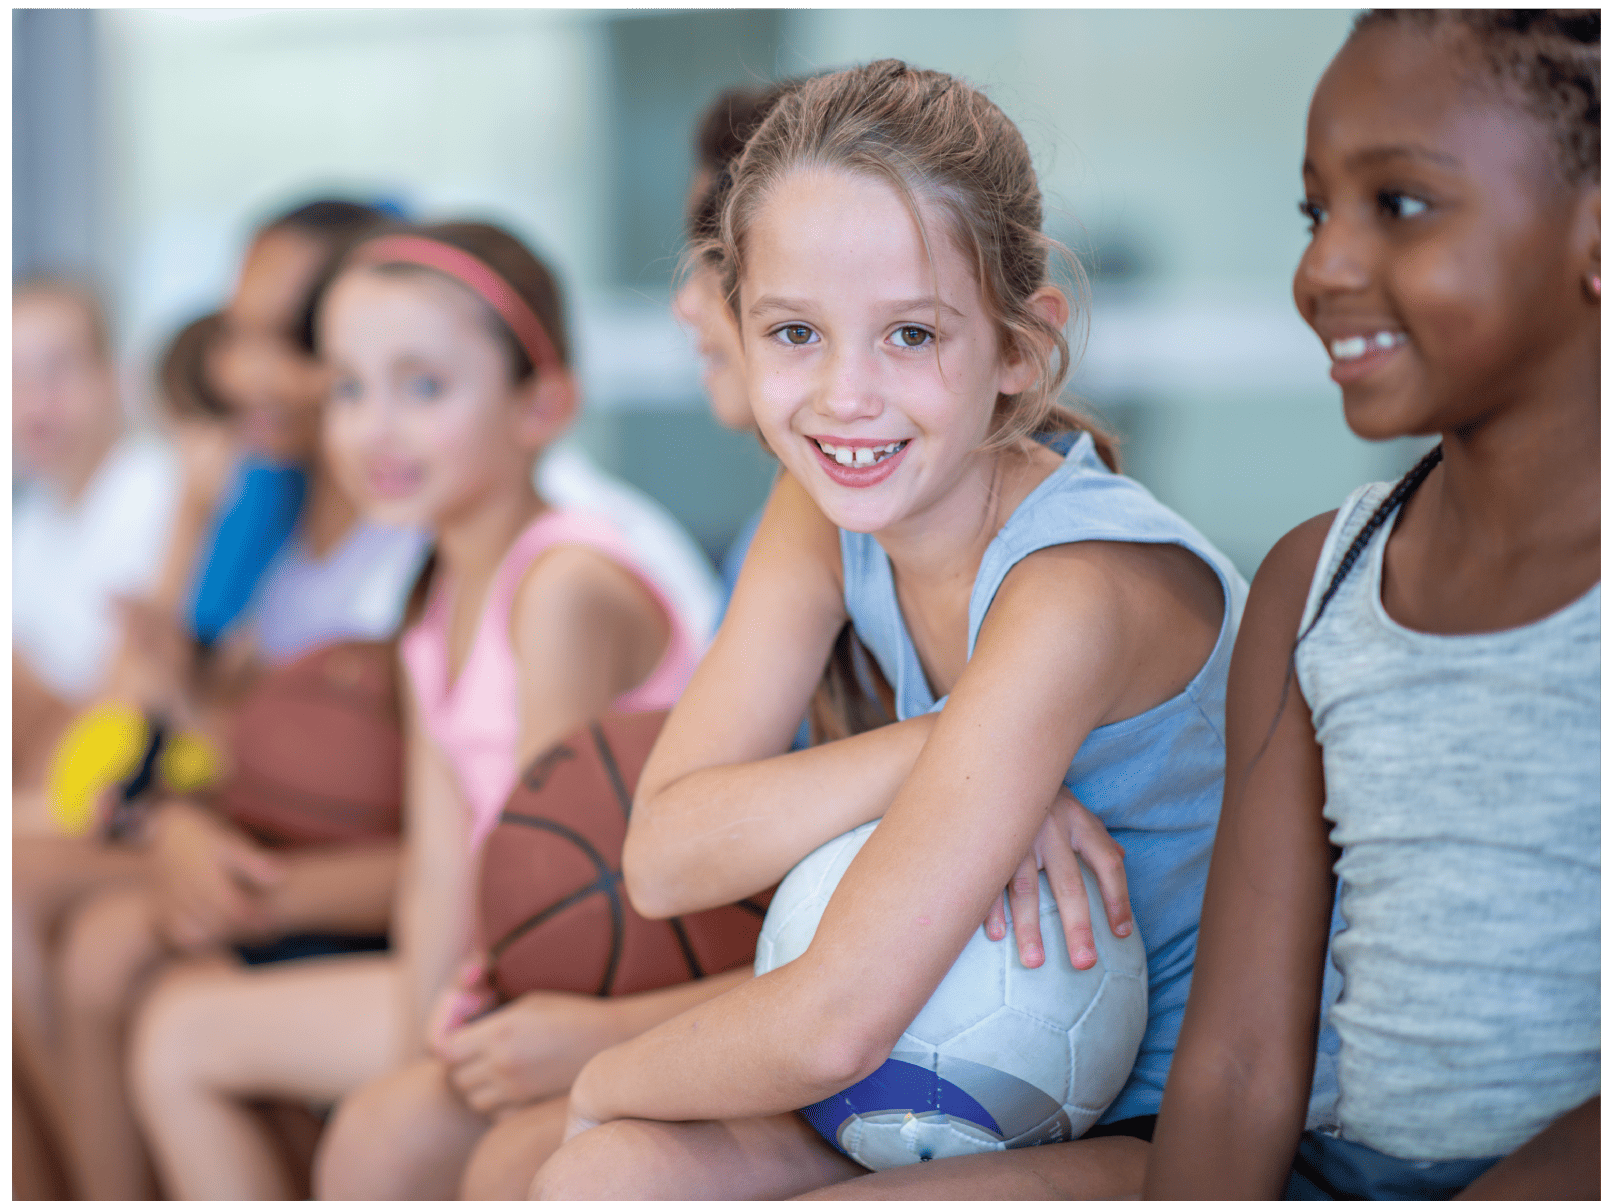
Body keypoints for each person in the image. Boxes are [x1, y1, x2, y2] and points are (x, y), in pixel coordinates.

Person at [531, 59, 1248, 1201]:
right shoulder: (819, 508)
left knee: (589, 1137)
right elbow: (662, 854)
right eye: (793, 332)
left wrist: (596, 1081)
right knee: (603, 1179)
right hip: (928, 1076)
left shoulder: (1075, 585)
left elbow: (829, 1025)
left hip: (1157, 1127)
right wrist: (938, 752)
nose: (843, 396)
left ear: (1021, 344)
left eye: (909, 335)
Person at [125, 220, 722, 1201]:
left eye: (423, 387)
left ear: (543, 405)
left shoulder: (563, 583)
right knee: (178, 1034)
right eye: (351, 388)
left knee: (380, 1136)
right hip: (501, 978)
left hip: (621, 988)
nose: (374, 427)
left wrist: (425, 1073)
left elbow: (552, 883)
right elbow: (438, 881)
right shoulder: (429, 598)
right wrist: (419, 1044)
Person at [1144, 11, 1599, 1201]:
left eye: (1395, 204)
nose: (1320, 268)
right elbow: (1238, 1065)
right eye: (1313, 211)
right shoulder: (1317, 581)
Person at [12, 279, 181, 795]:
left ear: (113, 376)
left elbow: (132, 699)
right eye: (12, 375)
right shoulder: (33, 517)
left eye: (58, 369)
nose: (35, 400)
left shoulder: (161, 492)